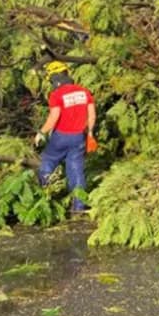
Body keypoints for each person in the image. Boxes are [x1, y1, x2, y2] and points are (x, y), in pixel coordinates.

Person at [34, 61, 96, 214]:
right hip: (79, 137)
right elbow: (92, 115)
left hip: (61, 136)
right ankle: (78, 207)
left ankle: (45, 196)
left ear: (53, 78)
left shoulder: (56, 95)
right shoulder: (84, 92)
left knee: (47, 161)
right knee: (76, 170)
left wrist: (41, 133)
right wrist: (90, 133)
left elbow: (54, 117)